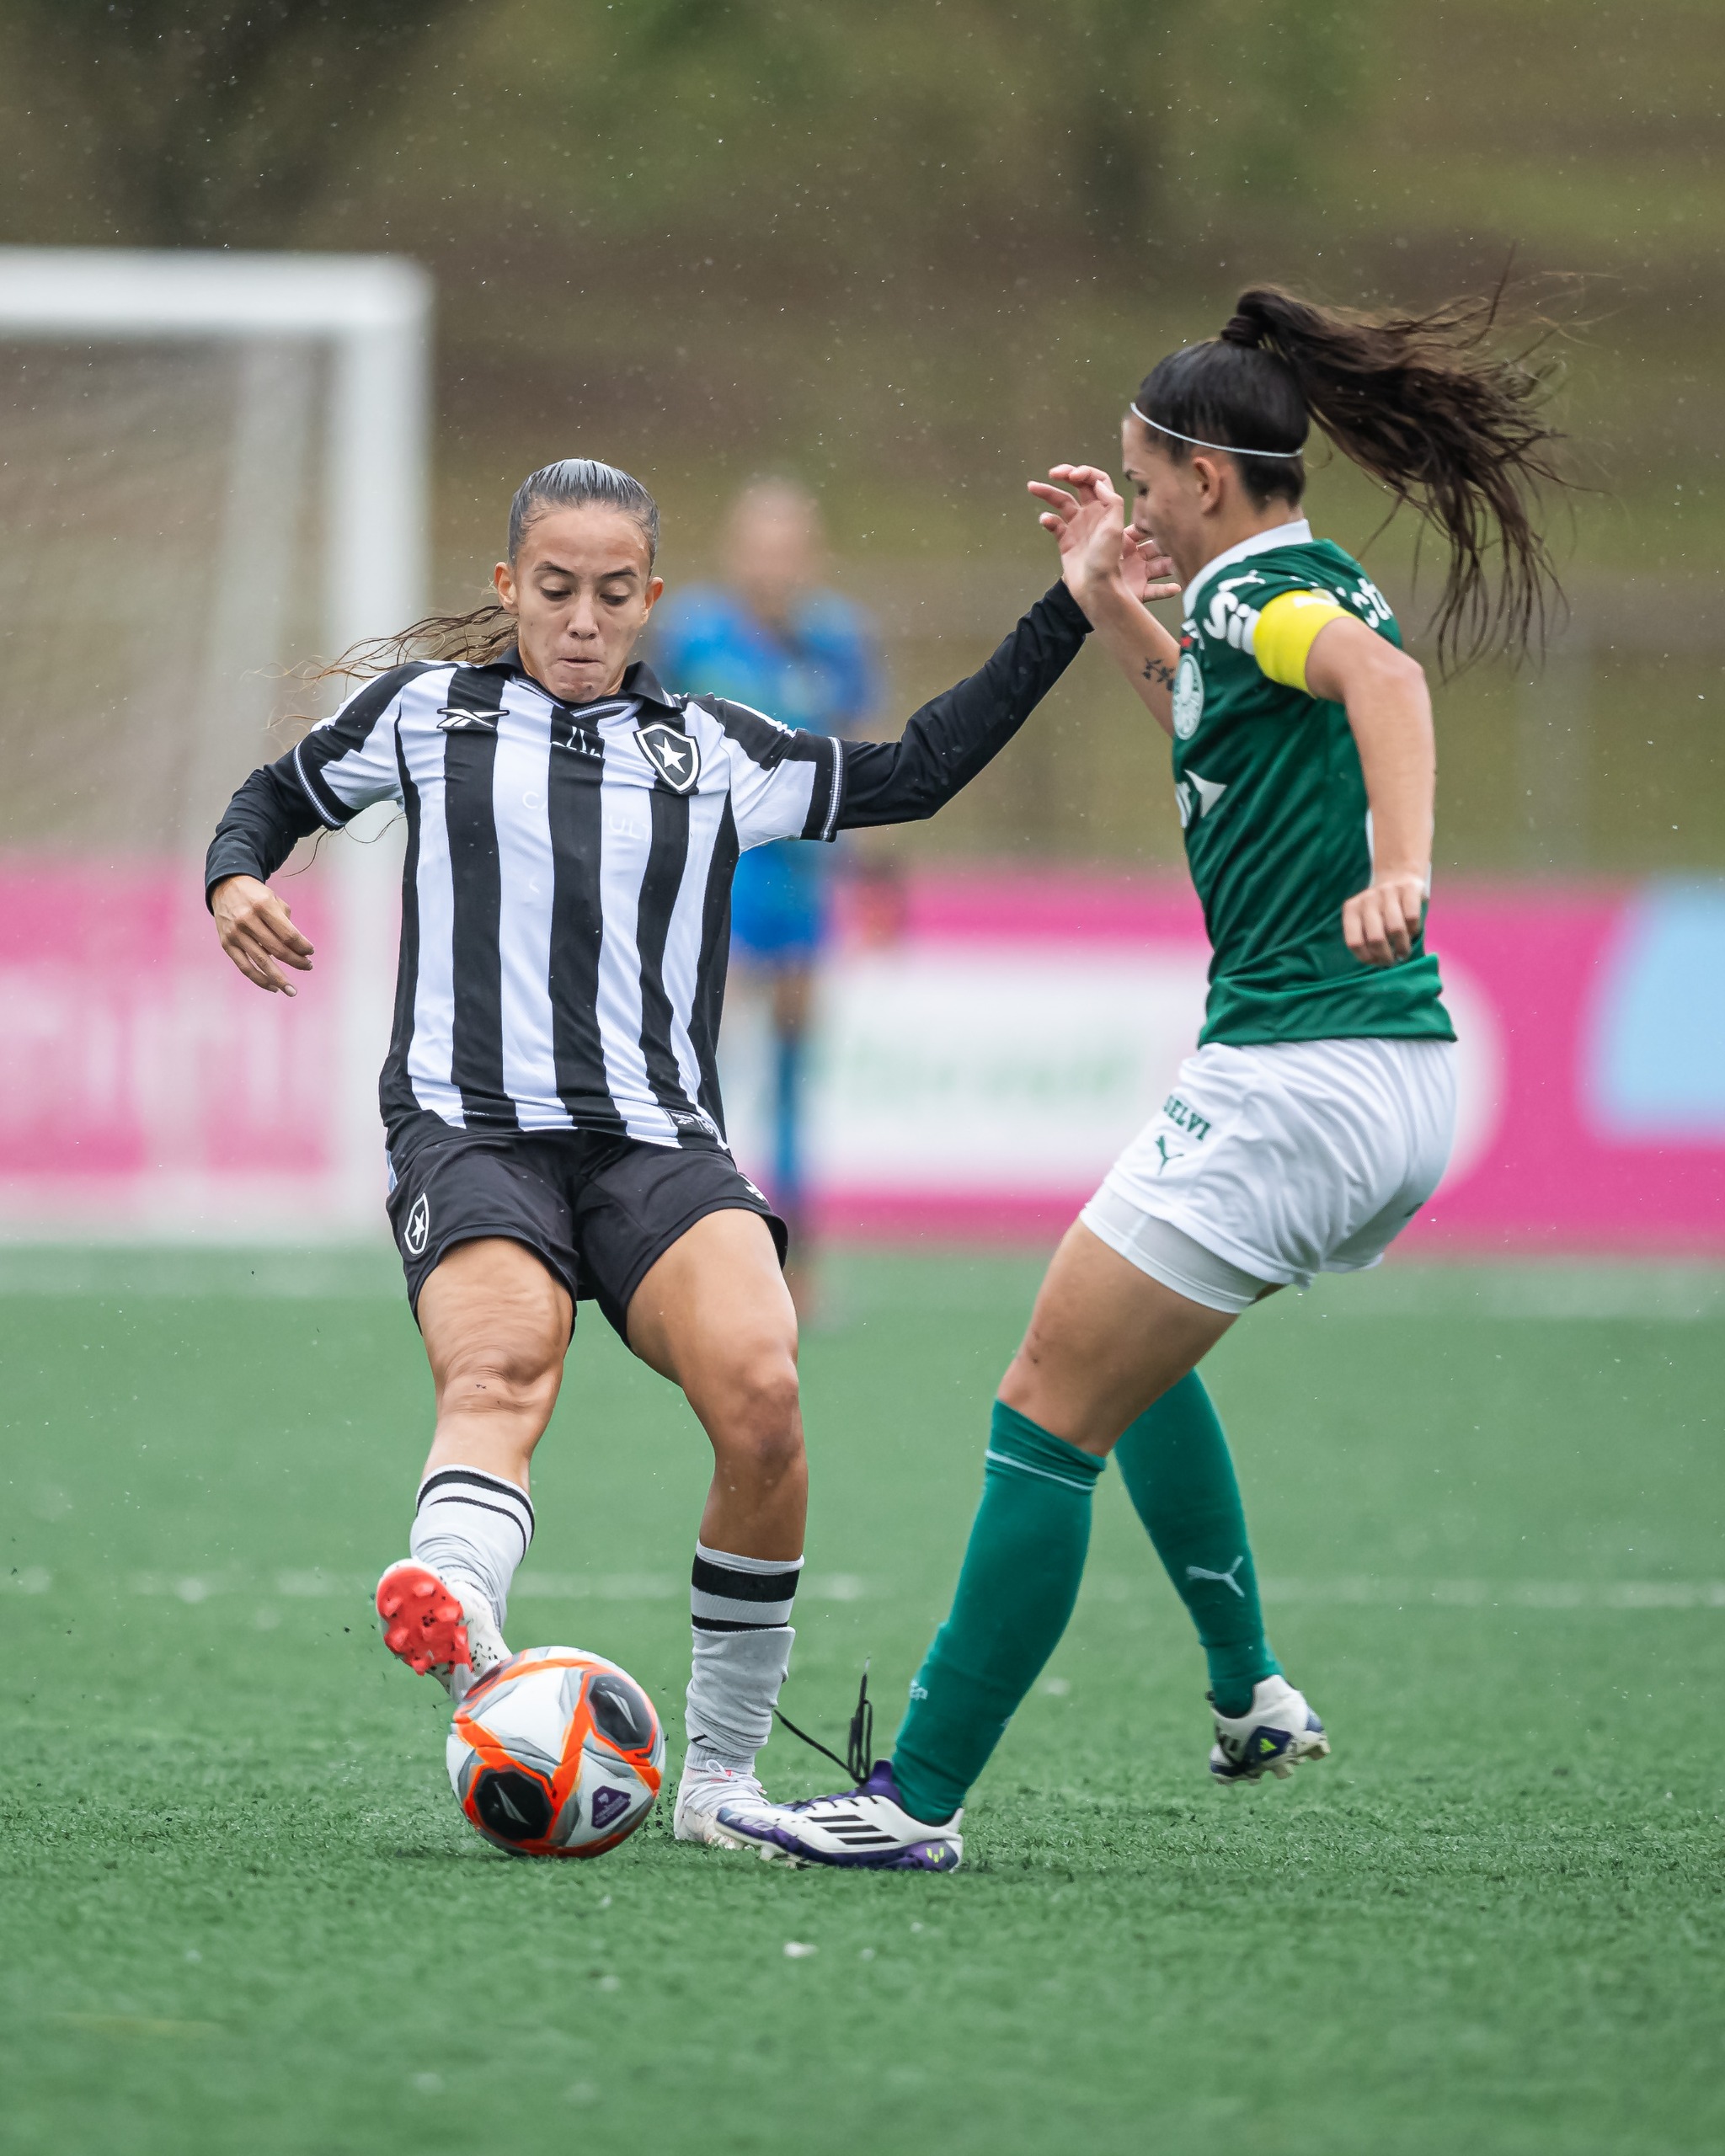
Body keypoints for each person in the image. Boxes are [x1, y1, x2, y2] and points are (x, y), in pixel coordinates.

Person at [742, 284, 1568, 1870]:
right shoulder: (1266, 593)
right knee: (1127, 1356)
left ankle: (910, 1803)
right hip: (1375, 1075)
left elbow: (1379, 693)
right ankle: (1246, 1686)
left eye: (1137, 481)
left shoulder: (1268, 597)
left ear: (1201, 476)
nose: (1130, 508)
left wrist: (1400, 866)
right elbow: (1208, 705)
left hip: (1300, 1070)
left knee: (1042, 1408)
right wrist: (1099, 596)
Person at [204, 458, 1092, 1854]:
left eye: (612, 595)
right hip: (469, 1125)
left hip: (656, 1146)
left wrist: (1073, 605)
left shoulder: (712, 747)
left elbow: (915, 771)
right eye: (553, 590)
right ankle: (457, 1604)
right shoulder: (427, 716)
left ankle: (722, 1784)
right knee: (501, 1366)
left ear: (652, 603)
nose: (579, 619)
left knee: (763, 1392)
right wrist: (234, 875)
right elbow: (277, 792)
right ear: (509, 589)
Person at [652, 481, 879, 1282]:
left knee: (789, 1072)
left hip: (798, 880)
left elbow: (851, 756)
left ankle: (796, 1260)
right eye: (759, 546)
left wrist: (852, 871)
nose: (772, 565)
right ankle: (692, 1241)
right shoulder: (691, 634)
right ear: (733, 551)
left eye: (787, 548)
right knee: (695, 1061)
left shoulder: (839, 640)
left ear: (810, 557)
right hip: (715, 875)